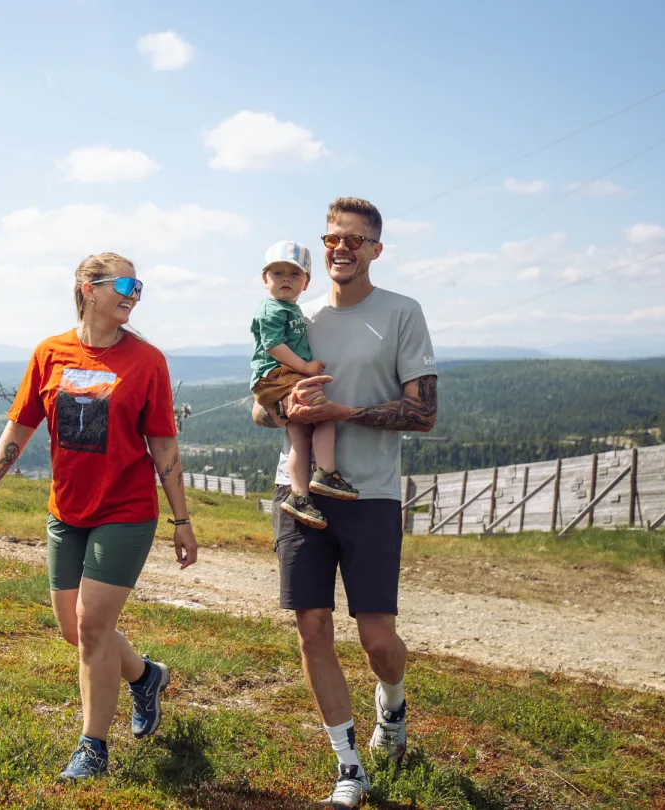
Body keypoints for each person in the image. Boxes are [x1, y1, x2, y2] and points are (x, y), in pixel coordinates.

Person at [0, 252, 199, 782]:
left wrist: (181, 521)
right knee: (74, 629)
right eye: (122, 283)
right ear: (87, 289)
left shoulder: (147, 361)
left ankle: (92, 747)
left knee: (94, 626)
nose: (134, 292)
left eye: (138, 284)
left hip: (126, 511)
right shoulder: (50, 353)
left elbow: (164, 445)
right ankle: (145, 677)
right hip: (66, 511)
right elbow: (21, 426)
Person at [250, 199, 437, 808]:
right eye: (332, 238)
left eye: (355, 240)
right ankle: (348, 764)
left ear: (375, 250)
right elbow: (260, 406)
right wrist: (289, 405)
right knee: (312, 627)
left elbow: (424, 412)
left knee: (378, 640)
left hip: (370, 493)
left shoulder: (402, 313)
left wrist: (345, 412)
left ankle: (393, 701)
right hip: (299, 492)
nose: (341, 248)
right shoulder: (295, 314)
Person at [249, 240, 358, 533]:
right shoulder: (272, 309)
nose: (286, 279)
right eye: (277, 273)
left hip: (284, 376)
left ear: (306, 282)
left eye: (294, 274)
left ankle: (299, 495)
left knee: (300, 435)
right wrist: (305, 367)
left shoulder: (290, 308)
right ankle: (325, 473)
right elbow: (272, 345)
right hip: (279, 375)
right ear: (264, 279)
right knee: (323, 414)